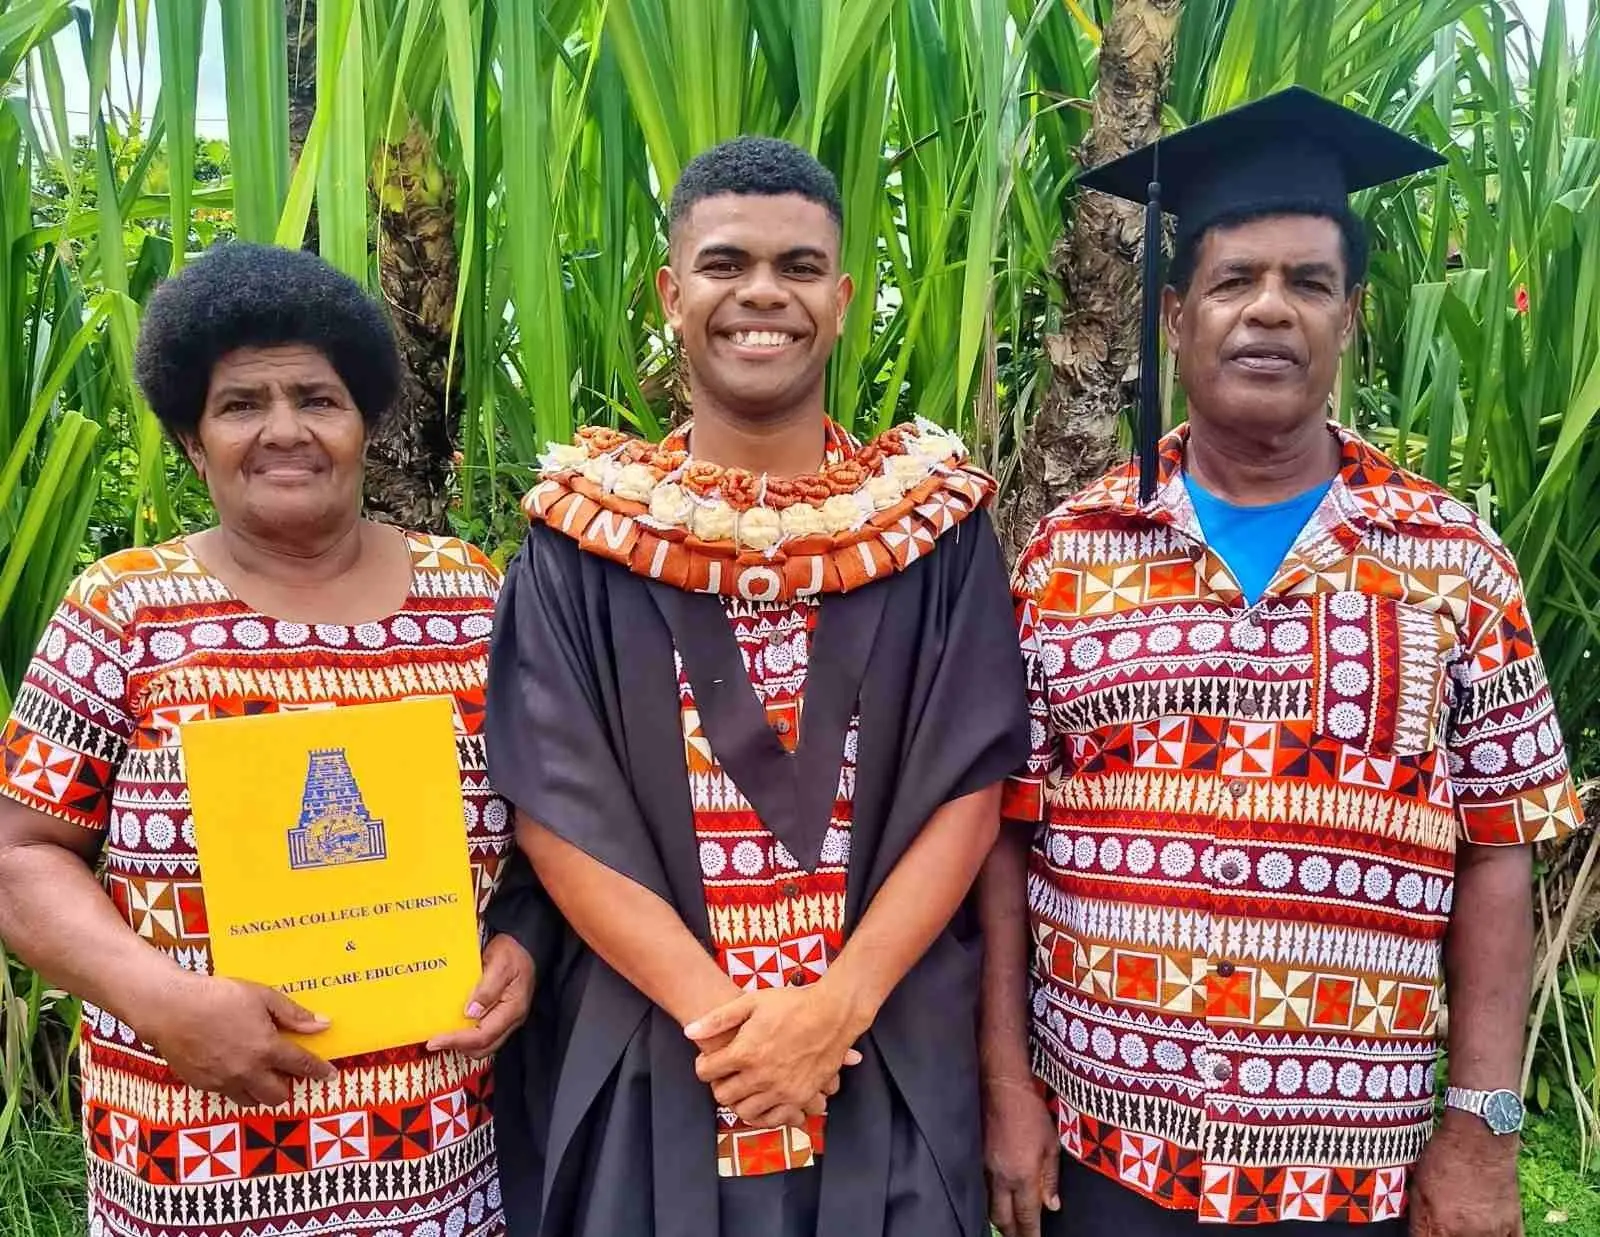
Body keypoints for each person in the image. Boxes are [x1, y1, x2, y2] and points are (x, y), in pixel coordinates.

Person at [981, 88, 1584, 1237]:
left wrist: (1482, 1127)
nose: (1269, 310)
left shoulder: (1453, 559)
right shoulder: (1068, 556)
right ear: (1173, 314)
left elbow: (1501, 848)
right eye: (1232, 280)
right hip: (1108, 1142)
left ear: (1348, 315)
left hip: (1349, 1162)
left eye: (1306, 283)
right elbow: (1006, 832)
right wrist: (1008, 1088)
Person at [484, 135, 1030, 1236]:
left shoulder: (931, 531)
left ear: (841, 298)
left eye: (796, 266)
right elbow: (555, 805)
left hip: (884, 1050)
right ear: (671, 292)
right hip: (655, 1052)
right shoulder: (586, 534)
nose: (760, 295)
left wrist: (836, 1007)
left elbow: (970, 783)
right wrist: (727, 1026)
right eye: (726, 264)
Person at [0, 243, 538, 1237]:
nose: (284, 429)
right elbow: (20, 852)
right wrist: (157, 998)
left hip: (438, 1160)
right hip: (195, 1153)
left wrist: (521, 945)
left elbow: (551, 830)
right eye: (241, 403)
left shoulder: (473, 595)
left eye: (317, 399)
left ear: (366, 421)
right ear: (191, 435)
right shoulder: (124, 610)